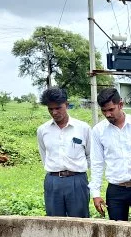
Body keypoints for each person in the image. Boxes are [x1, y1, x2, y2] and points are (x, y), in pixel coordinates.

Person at [89, 87, 131, 223]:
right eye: (104, 111)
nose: (107, 114)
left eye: (111, 109)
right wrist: (95, 194)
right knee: (117, 233)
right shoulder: (98, 131)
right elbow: (97, 163)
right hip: (116, 191)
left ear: (121, 105)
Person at [37, 87, 91, 217]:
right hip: (53, 181)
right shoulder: (43, 130)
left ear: (66, 105)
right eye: (50, 109)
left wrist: (76, 172)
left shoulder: (83, 128)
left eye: (58, 108)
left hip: (77, 180)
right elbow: (44, 155)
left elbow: (90, 156)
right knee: (54, 223)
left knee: (80, 223)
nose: (54, 112)